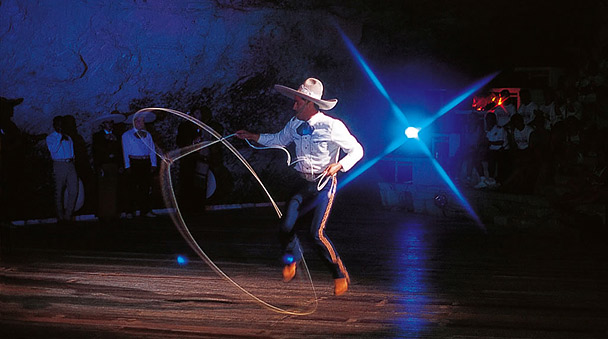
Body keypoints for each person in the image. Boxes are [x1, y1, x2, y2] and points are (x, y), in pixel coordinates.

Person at [236, 78, 364, 296]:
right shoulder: (294, 124)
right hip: (302, 182)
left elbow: (357, 150)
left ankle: (338, 273)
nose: (293, 106)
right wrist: (253, 136)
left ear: (309, 103)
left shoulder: (332, 126)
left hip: (323, 185)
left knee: (316, 234)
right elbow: (278, 139)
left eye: (297, 102)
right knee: (285, 226)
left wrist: (340, 165)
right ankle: (292, 258)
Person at [122, 112, 158, 218]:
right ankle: (129, 211)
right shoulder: (127, 135)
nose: (140, 122)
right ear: (133, 122)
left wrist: (154, 163)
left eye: (142, 120)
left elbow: (152, 149)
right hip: (134, 162)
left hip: (145, 162)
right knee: (132, 188)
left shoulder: (148, 135)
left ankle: (145, 210)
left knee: (145, 187)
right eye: (138, 120)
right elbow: (125, 151)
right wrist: (127, 165)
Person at [92, 111, 125, 222]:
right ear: (103, 124)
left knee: (114, 189)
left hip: (114, 165)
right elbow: (96, 152)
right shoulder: (97, 136)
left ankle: (113, 213)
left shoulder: (117, 136)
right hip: (104, 165)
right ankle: (104, 213)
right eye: (107, 123)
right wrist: (99, 166)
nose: (110, 124)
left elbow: (120, 151)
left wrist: (120, 164)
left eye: (111, 122)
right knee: (103, 190)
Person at [46, 116, 78, 223]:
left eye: (61, 124)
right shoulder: (50, 138)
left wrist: (72, 161)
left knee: (74, 190)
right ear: (54, 125)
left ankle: (68, 216)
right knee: (58, 191)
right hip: (59, 164)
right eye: (58, 124)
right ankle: (60, 217)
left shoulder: (69, 137)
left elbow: (72, 151)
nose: (60, 126)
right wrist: (59, 136)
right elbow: (53, 150)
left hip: (70, 164)